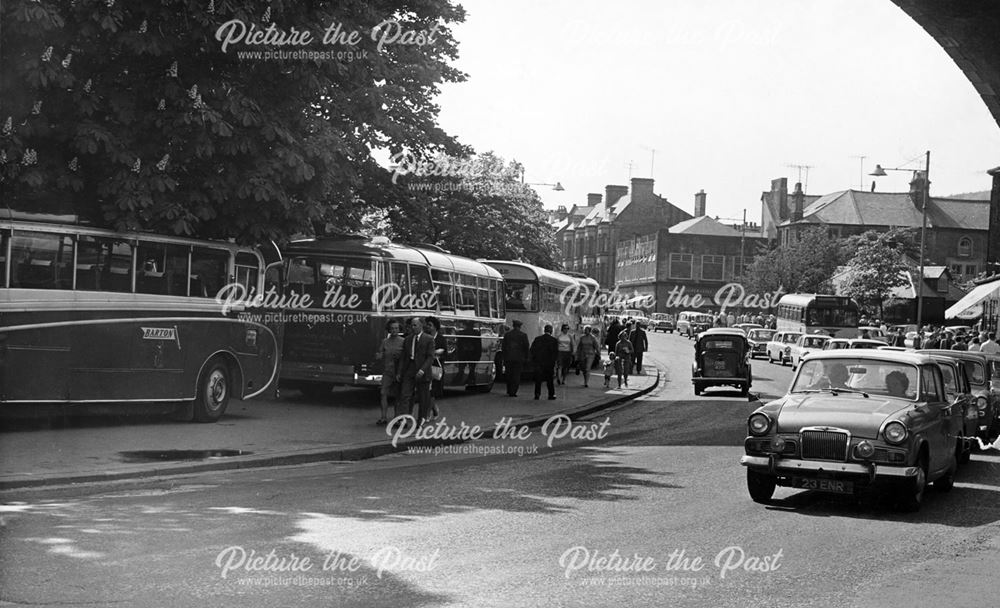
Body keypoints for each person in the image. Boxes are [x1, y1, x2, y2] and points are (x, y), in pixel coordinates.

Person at [399, 316, 435, 424]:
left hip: (422, 370)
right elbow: (403, 357)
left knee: (423, 397)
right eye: (411, 325)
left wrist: (423, 370)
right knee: (405, 395)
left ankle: (421, 420)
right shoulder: (408, 339)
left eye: (415, 325)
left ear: (421, 326)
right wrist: (400, 372)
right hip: (409, 369)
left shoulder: (429, 339)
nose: (412, 327)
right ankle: (404, 419)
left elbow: (430, 357)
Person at [374, 319, 405, 425]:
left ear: (399, 329)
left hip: (398, 373)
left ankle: (396, 418)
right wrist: (379, 356)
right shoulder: (385, 341)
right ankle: (383, 417)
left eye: (396, 328)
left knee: (397, 395)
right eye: (392, 328)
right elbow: (380, 353)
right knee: (383, 393)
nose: (394, 330)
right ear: (389, 330)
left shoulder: (403, 341)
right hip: (387, 371)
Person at [425, 316, 447, 421]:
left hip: (436, 368)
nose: (428, 327)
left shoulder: (441, 339)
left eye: (430, 325)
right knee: (428, 392)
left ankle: (427, 414)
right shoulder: (425, 337)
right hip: (426, 367)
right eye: (427, 325)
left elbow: (445, 353)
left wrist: (437, 354)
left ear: (435, 327)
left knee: (432, 392)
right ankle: (435, 409)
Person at [530, 324, 559, 400]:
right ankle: (551, 394)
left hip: (539, 363)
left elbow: (532, 350)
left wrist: (534, 360)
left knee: (538, 379)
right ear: (551, 331)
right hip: (549, 364)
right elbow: (555, 353)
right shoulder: (554, 340)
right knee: (550, 380)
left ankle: (537, 394)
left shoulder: (537, 339)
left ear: (544, 330)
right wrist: (554, 362)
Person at [501, 319, 530, 397]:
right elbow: (526, 347)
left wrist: (504, 356)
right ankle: (513, 391)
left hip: (508, 358)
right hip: (519, 359)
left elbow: (503, 346)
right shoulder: (523, 335)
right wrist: (526, 357)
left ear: (513, 326)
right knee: (516, 375)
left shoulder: (507, 335)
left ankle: (509, 389)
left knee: (509, 374)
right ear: (520, 327)